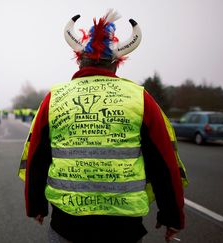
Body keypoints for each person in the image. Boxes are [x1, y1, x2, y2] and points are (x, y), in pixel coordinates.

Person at [19, 10, 188, 243]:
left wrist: (36, 206)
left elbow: (37, 156)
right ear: (116, 65)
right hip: (125, 228)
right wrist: (172, 216)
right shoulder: (140, 98)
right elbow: (163, 162)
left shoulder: (55, 98)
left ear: (79, 60)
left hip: (67, 225)